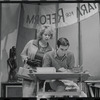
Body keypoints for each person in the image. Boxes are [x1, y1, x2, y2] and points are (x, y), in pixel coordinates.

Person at [21, 26, 54, 97]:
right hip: (29, 75)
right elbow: (23, 54)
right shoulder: (31, 43)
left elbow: (50, 65)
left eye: (49, 35)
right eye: (45, 35)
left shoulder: (51, 50)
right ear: (41, 34)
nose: (47, 37)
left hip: (41, 78)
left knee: (39, 97)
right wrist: (28, 60)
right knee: (27, 95)